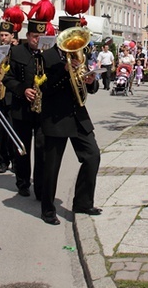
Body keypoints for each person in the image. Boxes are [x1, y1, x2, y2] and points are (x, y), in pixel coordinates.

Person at [38, 16, 101, 225]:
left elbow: (88, 88)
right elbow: (44, 88)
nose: (74, 43)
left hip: (78, 115)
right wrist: (64, 72)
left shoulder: (81, 55)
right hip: (55, 117)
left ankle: (83, 202)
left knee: (92, 156)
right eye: (71, 37)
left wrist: (90, 82)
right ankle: (47, 209)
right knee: (51, 166)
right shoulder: (46, 57)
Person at [3, 17, 48, 199]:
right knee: (22, 148)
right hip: (21, 108)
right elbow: (7, 78)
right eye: (35, 36)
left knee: (42, 148)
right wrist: (22, 90)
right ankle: (22, 182)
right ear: (28, 35)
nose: (38, 39)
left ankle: (40, 185)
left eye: (41, 36)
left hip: (42, 110)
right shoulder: (16, 52)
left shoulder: (48, 53)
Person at [0, 20, 16, 174]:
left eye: (6, 35)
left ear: (12, 36)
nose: (3, 38)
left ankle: (15, 160)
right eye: (1, 35)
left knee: (12, 129)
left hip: (11, 95)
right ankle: (2, 160)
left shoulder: (17, 52)